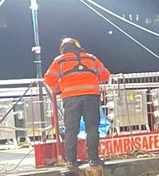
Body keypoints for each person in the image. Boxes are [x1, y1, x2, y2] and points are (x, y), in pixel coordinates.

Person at [42, 37, 110, 169]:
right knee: (92, 128)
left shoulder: (59, 60)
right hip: (91, 96)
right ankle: (94, 159)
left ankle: (71, 161)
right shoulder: (91, 58)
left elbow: (49, 78)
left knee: (71, 130)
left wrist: (59, 88)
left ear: (63, 49)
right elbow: (105, 75)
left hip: (71, 98)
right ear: (78, 46)